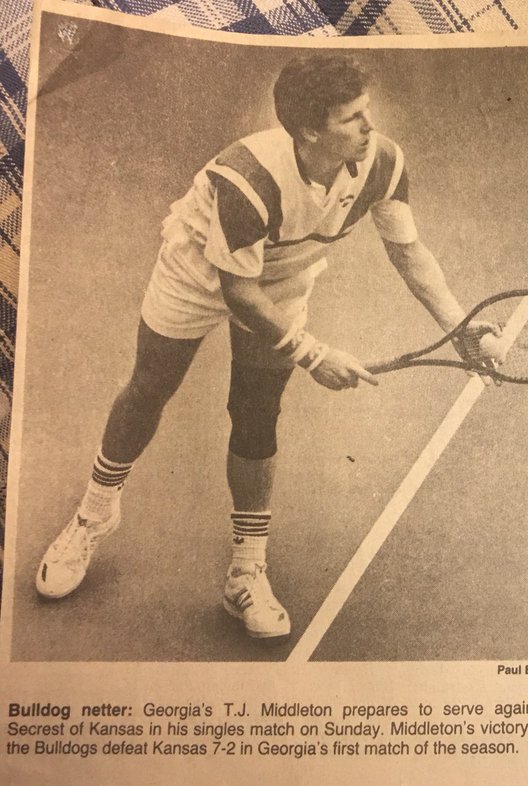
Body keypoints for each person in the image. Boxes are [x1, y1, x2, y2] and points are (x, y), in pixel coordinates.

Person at [34, 54, 500, 639]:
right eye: (351, 118)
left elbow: (409, 252)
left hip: (280, 280)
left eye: (367, 112)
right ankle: (95, 514)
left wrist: (461, 327)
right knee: (150, 388)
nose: (369, 127)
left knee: (255, 414)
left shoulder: (382, 163)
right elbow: (236, 290)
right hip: (200, 271)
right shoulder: (247, 179)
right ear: (309, 129)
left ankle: (245, 572)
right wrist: (312, 353)